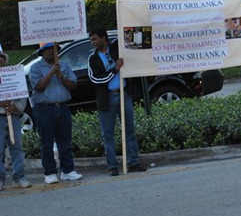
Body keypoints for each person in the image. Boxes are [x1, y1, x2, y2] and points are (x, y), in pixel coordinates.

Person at [88, 29, 147, 176]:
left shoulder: (116, 49)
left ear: (103, 38)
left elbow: (128, 37)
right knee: (108, 135)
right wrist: (114, 69)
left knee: (129, 130)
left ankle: (132, 162)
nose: (93, 42)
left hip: (123, 94)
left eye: (95, 39)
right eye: (91, 40)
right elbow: (97, 80)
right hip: (106, 99)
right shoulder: (93, 59)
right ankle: (112, 166)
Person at [29, 42, 83, 184]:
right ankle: (50, 173)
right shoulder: (35, 68)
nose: (51, 53)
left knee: (65, 141)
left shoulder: (64, 66)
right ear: (42, 52)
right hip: (45, 109)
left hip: (63, 107)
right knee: (46, 142)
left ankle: (68, 170)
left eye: (54, 50)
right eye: (48, 50)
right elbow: (39, 87)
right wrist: (51, 72)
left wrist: (61, 76)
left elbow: (73, 85)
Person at [0, 49, 32, 190]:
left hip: (13, 116)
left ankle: (19, 177)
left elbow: (22, 95)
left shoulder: (14, 75)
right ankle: (0, 179)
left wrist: (15, 107)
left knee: (17, 148)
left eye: (1, 57)